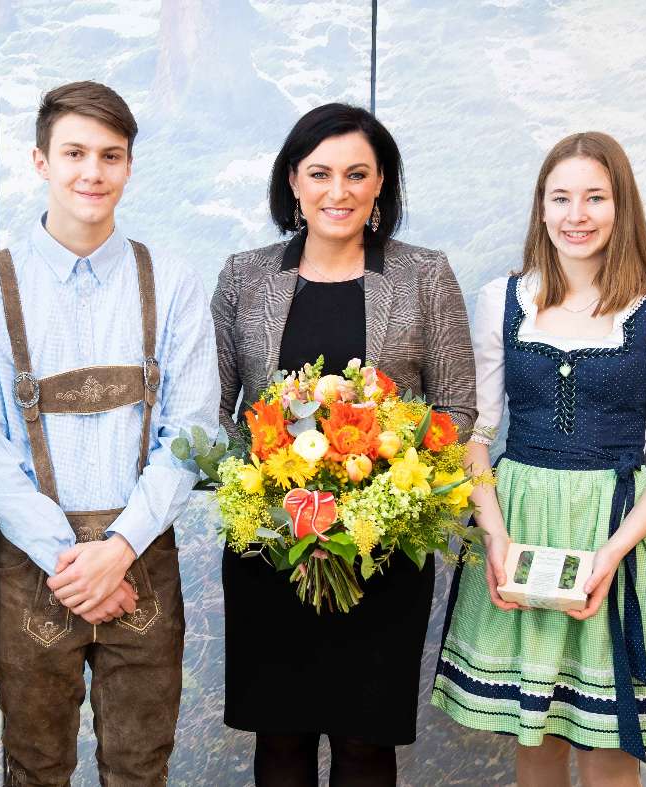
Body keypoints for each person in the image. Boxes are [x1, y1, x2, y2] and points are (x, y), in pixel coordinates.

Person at [0, 80, 218, 785]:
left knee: (139, 767)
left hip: (143, 566)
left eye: (110, 154)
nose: (91, 172)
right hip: (36, 568)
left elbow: (189, 435)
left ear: (129, 166)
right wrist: (76, 562)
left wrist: (119, 549)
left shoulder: (176, 282)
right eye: (74, 152)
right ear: (40, 160)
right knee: (34, 768)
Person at [431, 131, 646, 785]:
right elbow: (473, 432)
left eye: (595, 196)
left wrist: (613, 551)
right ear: (541, 208)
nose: (577, 213)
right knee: (534, 738)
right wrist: (496, 536)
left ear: (623, 207)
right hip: (520, 529)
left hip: (616, 531)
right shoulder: (502, 301)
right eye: (560, 197)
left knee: (611, 744)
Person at [212, 103, 477, 786]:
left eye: (357, 173)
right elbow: (218, 413)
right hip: (273, 547)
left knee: (365, 745)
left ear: (381, 182)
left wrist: (384, 491)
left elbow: (455, 407)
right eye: (320, 173)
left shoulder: (424, 275)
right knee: (280, 740)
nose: (339, 191)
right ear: (293, 182)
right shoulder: (244, 277)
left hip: (382, 552)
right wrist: (265, 490)